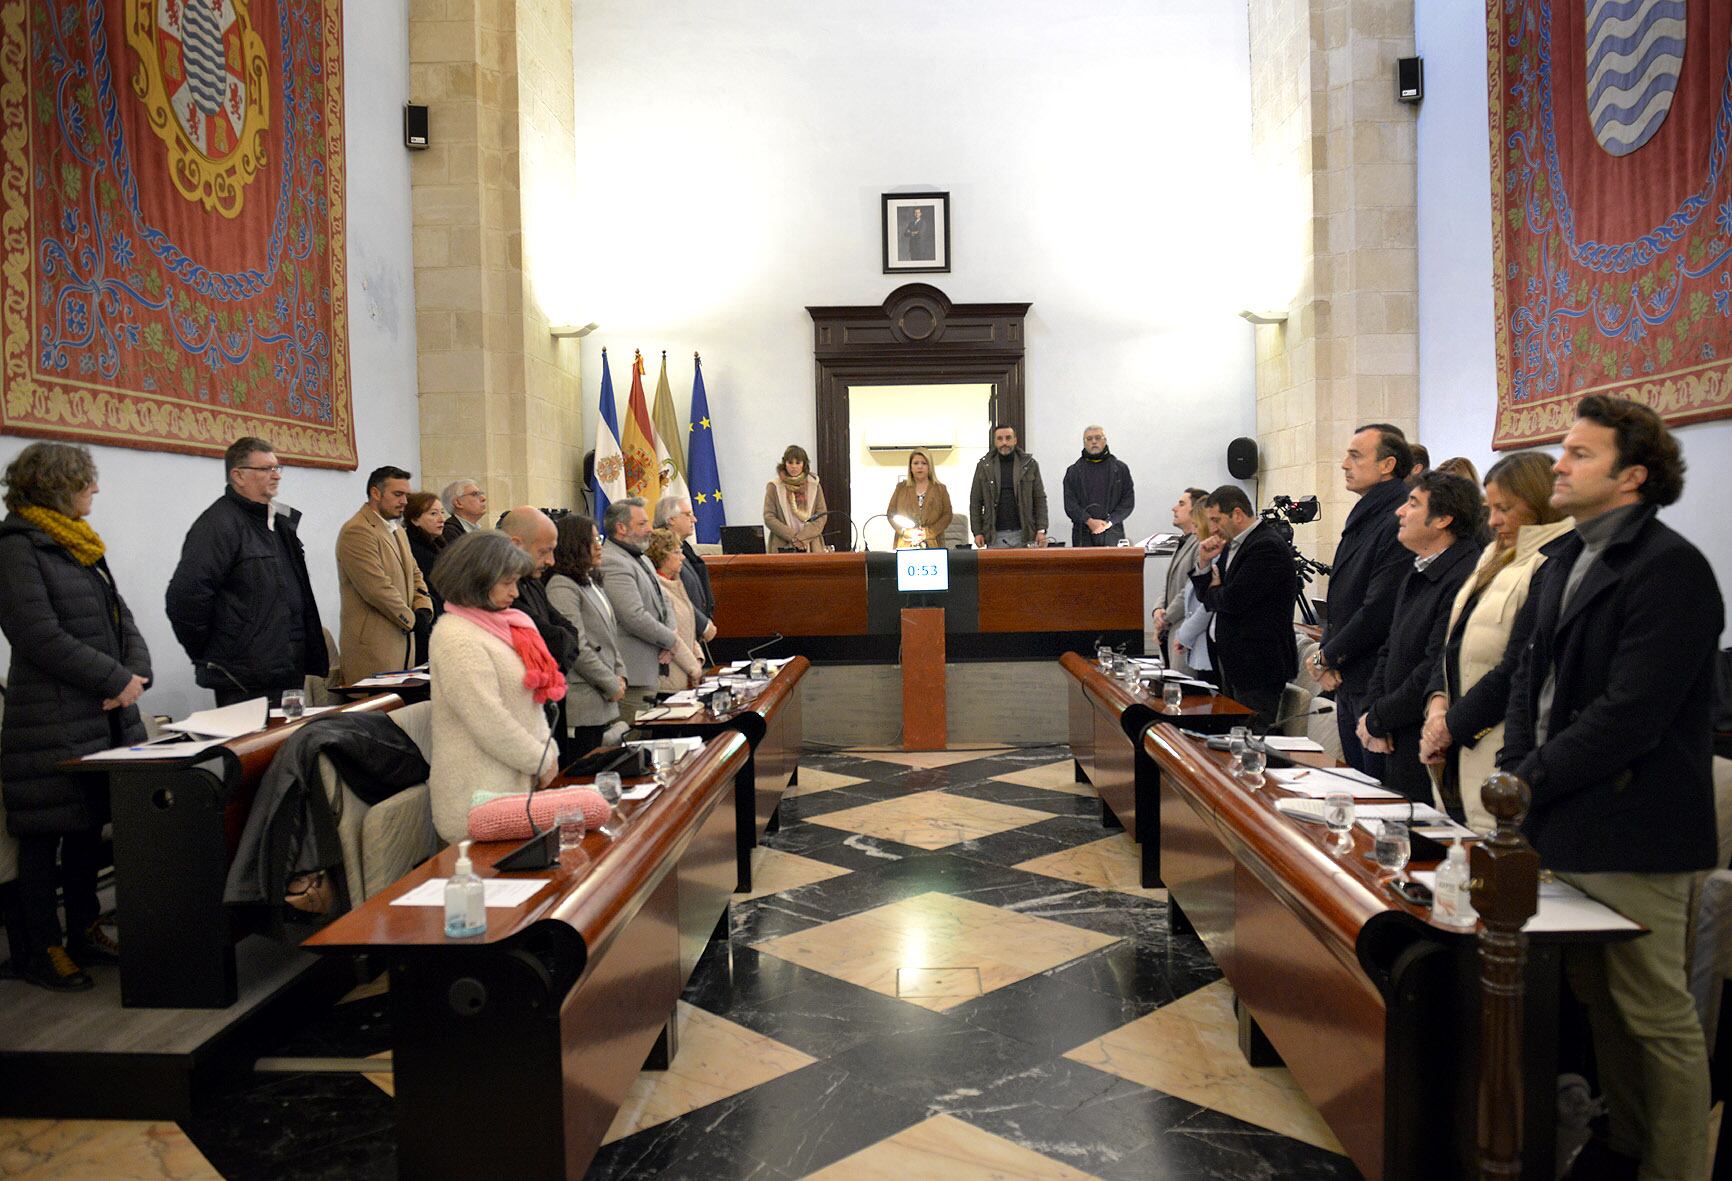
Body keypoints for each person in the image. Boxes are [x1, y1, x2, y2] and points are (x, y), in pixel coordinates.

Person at [1500, 395, 1722, 1181]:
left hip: (1635, 824)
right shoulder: (1563, 557)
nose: (1559, 463)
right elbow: (1529, 676)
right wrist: (1518, 767)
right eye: (1564, 450)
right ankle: (1625, 1144)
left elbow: (1631, 714)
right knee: (1600, 1001)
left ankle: (1676, 1167)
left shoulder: (1671, 569)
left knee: (1654, 1012)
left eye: (1580, 454)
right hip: (1564, 817)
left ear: (1632, 477)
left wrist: (1528, 777)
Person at [0, 444, 151, 992]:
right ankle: (42, 949)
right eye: (87, 480)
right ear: (56, 484)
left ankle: (86, 929)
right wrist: (114, 680)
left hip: (103, 715)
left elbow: (122, 617)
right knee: (45, 837)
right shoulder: (18, 547)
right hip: (49, 719)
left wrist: (135, 674)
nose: (96, 489)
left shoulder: (78, 544)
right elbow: (38, 636)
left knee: (88, 828)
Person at [1418, 451, 1569, 829]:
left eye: (1505, 508)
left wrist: (1450, 725)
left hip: (1494, 742)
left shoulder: (1549, 564)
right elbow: (1453, 643)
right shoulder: (1495, 554)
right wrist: (1436, 707)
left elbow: (1517, 665)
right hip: (1453, 740)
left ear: (1539, 504)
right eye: (1490, 508)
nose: (1494, 520)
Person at [1352, 472, 1484, 803]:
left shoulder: (1463, 576)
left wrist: (1380, 717)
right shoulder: (1419, 568)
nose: (1400, 511)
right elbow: (1390, 648)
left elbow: (1435, 664)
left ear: (1443, 519)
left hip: (1423, 737)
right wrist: (1372, 713)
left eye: (1412, 503)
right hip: (1392, 730)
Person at [166, 437, 328, 705]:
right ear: (238, 475)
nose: (276, 476)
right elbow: (184, 598)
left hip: (287, 671)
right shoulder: (218, 525)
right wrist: (217, 652)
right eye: (266, 469)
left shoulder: (278, 523)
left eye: (277, 468)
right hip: (243, 677)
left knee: (291, 746)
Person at [425, 533, 562, 845]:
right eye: (507, 583)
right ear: (477, 580)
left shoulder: (502, 626)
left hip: (516, 783)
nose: (515, 592)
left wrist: (547, 754)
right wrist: (540, 760)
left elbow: (530, 703)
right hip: (479, 793)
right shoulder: (456, 636)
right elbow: (486, 719)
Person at [1307, 423, 1413, 776]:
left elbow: (1379, 607)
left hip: (1374, 679)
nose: (1344, 464)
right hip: (1349, 674)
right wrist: (1328, 653)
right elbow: (1342, 599)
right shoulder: (1368, 512)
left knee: (1375, 792)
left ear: (1387, 465)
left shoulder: (1397, 517)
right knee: (1357, 783)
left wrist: (1328, 654)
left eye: (1355, 456)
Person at [1188, 485, 1297, 729]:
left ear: (1237, 514)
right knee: (1231, 737)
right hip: (1235, 662)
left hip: (1257, 666)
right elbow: (1210, 599)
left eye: (1217, 519)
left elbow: (1232, 601)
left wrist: (1217, 590)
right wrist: (1205, 564)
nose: (1213, 528)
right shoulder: (1233, 545)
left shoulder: (1265, 546)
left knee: (1250, 741)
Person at [335, 466, 433, 683]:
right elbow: (377, 589)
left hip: (404, 644)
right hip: (374, 647)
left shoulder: (397, 529)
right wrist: (411, 619)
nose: (405, 502)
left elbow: (416, 574)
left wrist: (424, 608)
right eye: (398, 495)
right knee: (377, 713)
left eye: (407, 495)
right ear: (376, 493)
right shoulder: (358, 530)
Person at [545, 515, 627, 761]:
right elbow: (576, 644)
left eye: (598, 538)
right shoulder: (562, 586)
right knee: (585, 772)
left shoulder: (591, 582)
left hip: (604, 692)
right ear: (575, 545)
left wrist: (620, 673)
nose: (599, 544)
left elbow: (611, 635)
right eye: (592, 540)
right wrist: (610, 683)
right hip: (584, 698)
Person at [600, 497, 681, 722]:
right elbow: (632, 616)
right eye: (642, 524)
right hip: (631, 673)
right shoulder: (611, 561)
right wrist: (670, 641)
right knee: (633, 740)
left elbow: (665, 600)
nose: (650, 529)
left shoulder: (641, 558)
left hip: (650, 668)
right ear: (621, 528)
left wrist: (671, 635)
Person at [498, 507, 580, 675]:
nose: (551, 561)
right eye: (544, 552)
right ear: (516, 545)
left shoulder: (533, 581)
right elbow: (554, 640)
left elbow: (570, 630)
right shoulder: (500, 592)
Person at [1153, 487, 1209, 667]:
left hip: (1183, 627)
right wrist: (1158, 609)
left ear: (1196, 511)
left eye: (1181, 504)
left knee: (1184, 690)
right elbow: (1168, 584)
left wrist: (1166, 618)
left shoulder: (1200, 543)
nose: (1174, 508)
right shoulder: (1183, 541)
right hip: (1170, 627)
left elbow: (1190, 587)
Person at [645, 528, 706, 691]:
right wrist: (693, 666)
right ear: (662, 555)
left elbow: (689, 627)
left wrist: (698, 658)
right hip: (669, 678)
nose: (683, 557)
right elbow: (670, 635)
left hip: (688, 674)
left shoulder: (676, 584)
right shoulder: (657, 589)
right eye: (677, 552)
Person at [969, 425, 1048, 548]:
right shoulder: (984, 467)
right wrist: (977, 532)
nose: (1004, 442)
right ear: (995, 441)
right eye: (1000, 439)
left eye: (1008, 438)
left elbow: (1039, 499)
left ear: (1015, 440)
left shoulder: (1030, 465)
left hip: (1025, 534)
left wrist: (1041, 529)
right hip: (994, 535)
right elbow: (975, 501)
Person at [655, 495, 717, 643]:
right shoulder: (661, 550)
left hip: (693, 634)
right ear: (670, 520)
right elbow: (675, 596)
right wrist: (703, 625)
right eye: (688, 514)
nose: (694, 520)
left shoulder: (684, 548)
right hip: (680, 636)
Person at [1061, 425, 1135, 547]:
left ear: (1105, 440)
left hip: (1113, 531)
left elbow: (1128, 502)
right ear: (1084, 443)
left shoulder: (1120, 469)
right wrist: (1089, 521)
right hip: (1083, 533)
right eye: (1089, 439)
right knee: (1084, 566)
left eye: (1098, 437)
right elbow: (1070, 504)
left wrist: (1109, 522)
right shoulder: (1073, 471)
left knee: (1113, 566)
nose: (1094, 441)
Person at [1170, 497, 1216, 682]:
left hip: (1207, 644)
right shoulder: (1204, 554)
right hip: (1196, 644)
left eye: (1197, 526)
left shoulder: (1209, 552)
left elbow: (1207, 604)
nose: (1194, 531)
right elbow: (1191, 588)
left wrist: (1184, 635)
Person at [763, 445, 829, 553]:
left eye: (798, 463)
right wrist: (793, 537)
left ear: (804, 464)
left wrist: (803, 537)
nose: (794, 466)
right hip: (782, 545)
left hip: (811, 544)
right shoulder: (774, 486)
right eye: (790, 462)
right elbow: (769, 517)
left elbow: (822, 515)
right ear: (785, 464)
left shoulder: (814, 485)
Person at [885, 448, 954, 548]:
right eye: (916, 463)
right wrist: (905, 531)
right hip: (905, 543)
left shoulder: (940, 489)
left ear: (929, 466)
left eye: (924, 463)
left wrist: (928, 532)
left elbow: (947, 515)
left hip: (933, 543)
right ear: (911, 467)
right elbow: (891, 514)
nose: (920, 466)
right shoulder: (901, 488)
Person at [404, 491, 448, 648]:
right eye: (433, 514)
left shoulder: (439, 544)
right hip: (427, 622)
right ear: (415, 520)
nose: (441, 519)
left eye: (442, 512)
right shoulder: (414, 548)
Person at [439, 478, 489, 544]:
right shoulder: (449, 532)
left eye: (481, 493)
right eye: (474, 494)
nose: (483, 498)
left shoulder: (476, 530)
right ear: (458, 503)